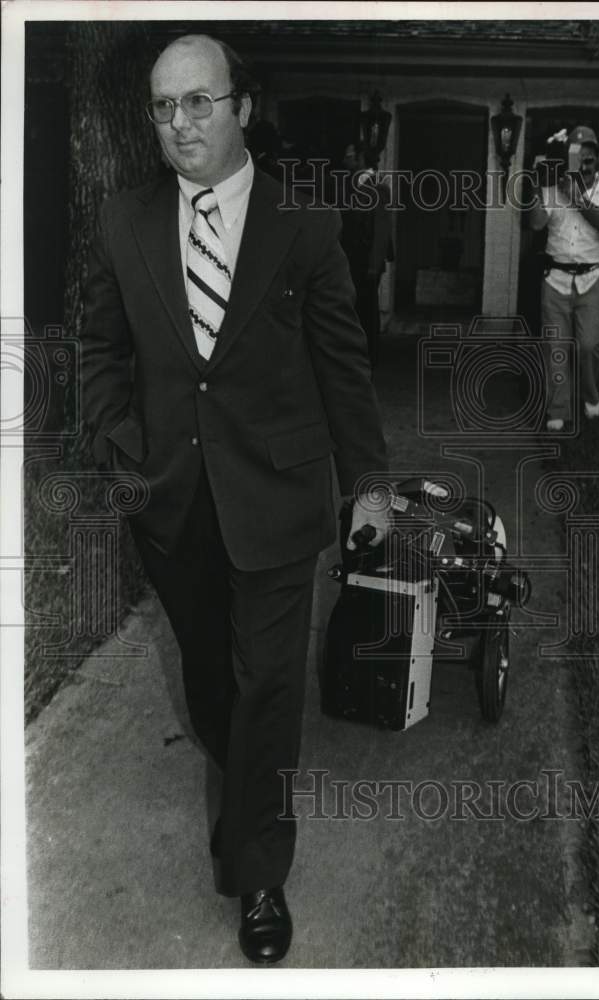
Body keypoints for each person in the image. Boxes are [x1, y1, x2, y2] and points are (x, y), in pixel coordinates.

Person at [79, 34, 389, 965]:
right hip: (170, 501)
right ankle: (247, 779)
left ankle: (259, 872)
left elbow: (343, 364)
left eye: (200, 103)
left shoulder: (306, 224)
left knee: (268, 683)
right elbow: (99, 353)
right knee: (214, 681)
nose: (181, 125)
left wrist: (367, 484)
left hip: (280, 496)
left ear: (242, 108)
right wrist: (117, 451)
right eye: (165, 107)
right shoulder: (122, 220)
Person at [528, 125, 599, 431]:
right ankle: (558, 408)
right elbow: (534, 223)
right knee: (555, 346)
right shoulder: (550, 189)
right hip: (555, 278)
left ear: (597, 159)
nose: (584, 164)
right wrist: (535, 183)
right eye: (577, 157)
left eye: (589, 157)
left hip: (592, 278)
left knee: (589, 346)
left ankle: (589, 394)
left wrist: (579, 198)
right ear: (568, 160)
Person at [338, 141, 394, 370]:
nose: (346, 160)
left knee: (367, 311)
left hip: (365, 261)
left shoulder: (377, 188)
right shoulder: (352, 186)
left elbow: (381, 229)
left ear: (361, 160)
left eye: (350, 156)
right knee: (354, 310)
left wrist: (373, 264)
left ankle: (369, 357)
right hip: (352, 259)